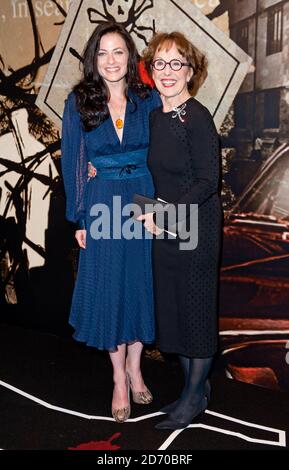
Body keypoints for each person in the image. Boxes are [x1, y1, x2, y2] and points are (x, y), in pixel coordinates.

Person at [61, 22, 161, 423]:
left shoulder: (148, 99)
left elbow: (165, 152)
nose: (111, 60)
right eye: (102, 53)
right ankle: (118, 377)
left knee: (139, 285)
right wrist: (80, 216)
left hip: (143, 199)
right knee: (109, 288)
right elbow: (73, 161)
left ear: (131, 56)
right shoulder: (78, 101)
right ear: (93, 59)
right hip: (102, 201)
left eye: (118, 51)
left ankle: (137, 368)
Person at [139, 32, 222, 429]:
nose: (168, 71)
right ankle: (194, 389)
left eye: (177, 63)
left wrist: (167, 213)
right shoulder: (155, 117)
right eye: (160, 63)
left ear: (191, 70)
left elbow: (209, 181)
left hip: (197, 226)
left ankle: (193, 398)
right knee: (176, 310)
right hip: (166, 227)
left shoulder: (198, 116)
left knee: (197, 311)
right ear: (151, 69)